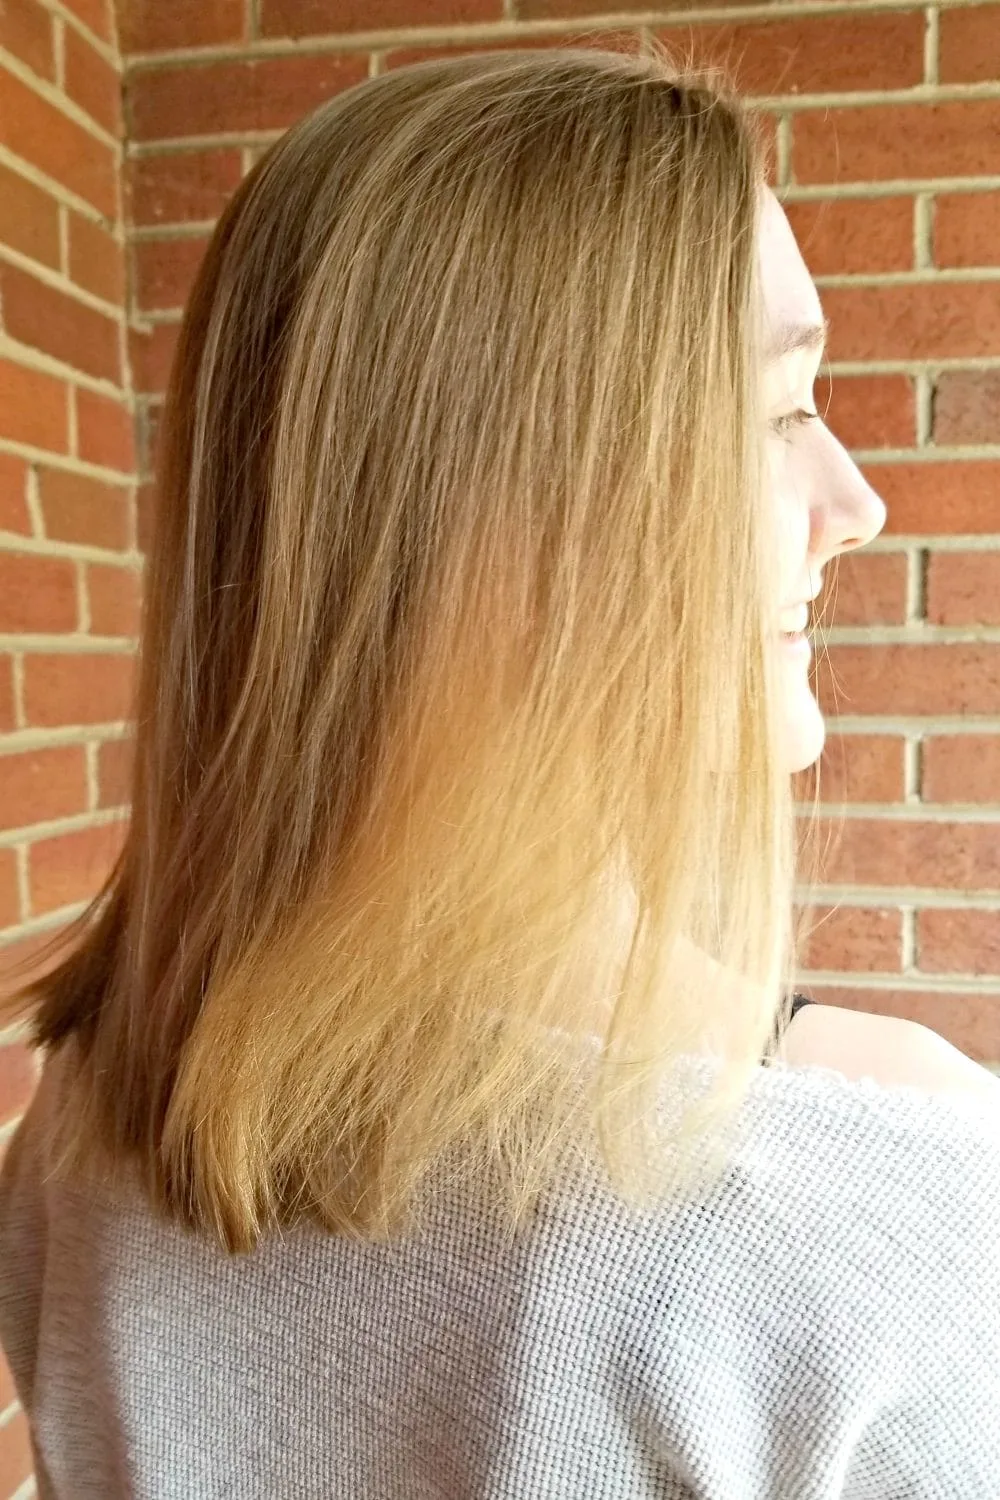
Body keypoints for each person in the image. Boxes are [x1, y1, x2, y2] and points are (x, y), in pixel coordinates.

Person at [1, 42, 998, 1499]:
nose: (854, 501)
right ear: (498, 511)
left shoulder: (80, 1128)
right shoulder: (884, 1207)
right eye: (780, 409)